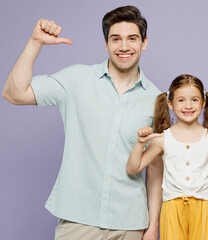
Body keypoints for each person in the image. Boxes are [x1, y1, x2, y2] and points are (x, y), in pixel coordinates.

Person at [2, 6, 162, 240]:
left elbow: (156, 169)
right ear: (106, 44)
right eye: (116, 39)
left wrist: (153, 225)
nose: (124, 47)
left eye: (132, 39)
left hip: (129, 222)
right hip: (77, 221)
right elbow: (13, 93)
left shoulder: (156, 99)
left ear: (144, 42)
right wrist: (35, 42)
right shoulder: (75, 79)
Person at [126, 74, 208, 240]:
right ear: (170, 104)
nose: (188, 105)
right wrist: (139, 144)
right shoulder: (162, 139)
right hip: (172, 208)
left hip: (203, 208)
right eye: (181, 100)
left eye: (194, 100)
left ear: (203, 103)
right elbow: (132, 168)